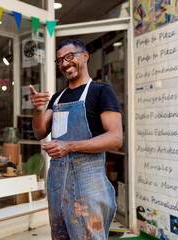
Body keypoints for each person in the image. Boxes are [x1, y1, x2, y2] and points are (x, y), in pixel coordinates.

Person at [29, 39, 122, 239]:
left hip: (88, 184)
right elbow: (39, 132)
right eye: (60, 60)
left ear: (85, 56)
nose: (64, 63)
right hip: (57, 184)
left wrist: (69, 146)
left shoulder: (101, 92)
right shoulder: (57, 98)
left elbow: (115, 138)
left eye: (69, 57)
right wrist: (37, 110)